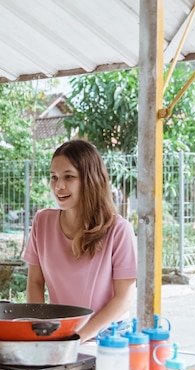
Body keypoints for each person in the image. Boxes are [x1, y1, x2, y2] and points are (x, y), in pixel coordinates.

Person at [23, 140, 137, 342]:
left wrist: (76, 338)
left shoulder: (119, 230)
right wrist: (39, 329)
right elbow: (35, 282)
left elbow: (123, 299)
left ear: (90, 179)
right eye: (54, 177)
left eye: (69, 177)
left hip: (110, 336)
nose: (59, 186)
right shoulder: (42, 222)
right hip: (60, 331)